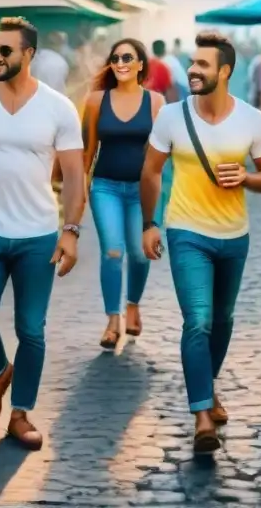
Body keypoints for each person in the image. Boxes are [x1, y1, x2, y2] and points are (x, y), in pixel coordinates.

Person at [0, 17, 85, 451]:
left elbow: (77, 176)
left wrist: (71, 231)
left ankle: (21, 414)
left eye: (5, 51)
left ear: (28, 55)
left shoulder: (58, 107)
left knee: (32, 330)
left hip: (38, 234)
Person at [140, 31, 261, 454]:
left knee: (223, 319)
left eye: (202, 65)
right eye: (192, 63)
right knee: (197, 320)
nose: (192, 70)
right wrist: (149, 223)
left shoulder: (254, 121)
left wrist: (248, 178)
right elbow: (150, 172)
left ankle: (207, 385)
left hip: (234, 236)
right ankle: (201, 415)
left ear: (225, 71)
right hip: (186, 230)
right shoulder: (170, 116)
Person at [82, 39, 164, 350]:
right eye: (115, 58)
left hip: (140, 191)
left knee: (140, 253)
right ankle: (112, 319)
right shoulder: (95, 101)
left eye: (127, 57)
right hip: (105, 187)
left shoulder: (156, 103)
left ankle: (132, 305)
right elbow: (87, 152)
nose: (120, 62)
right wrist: (78, 194)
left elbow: (160, 157)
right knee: (113, 251)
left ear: (141, 64)